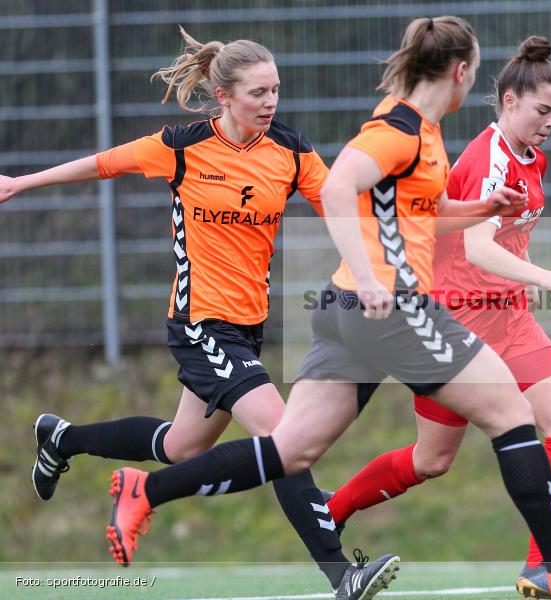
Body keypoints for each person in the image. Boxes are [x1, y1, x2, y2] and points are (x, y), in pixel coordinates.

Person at [102, 16, 551, 600]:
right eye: (475, 73)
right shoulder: (400, 129)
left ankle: (145, 492)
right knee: (511, 413)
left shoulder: (425, 133)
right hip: (386, 307)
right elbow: (339, 189)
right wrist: (368, 275)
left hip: (345, 310)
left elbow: (418, 216)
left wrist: (484, 208)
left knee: (291, 449)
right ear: (460, 72)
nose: (472, 84)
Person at [0, 27, 398, 600]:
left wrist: (402, 241)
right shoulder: (182, 146)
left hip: (247, 325)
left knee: (183, 446)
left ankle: (62, 439)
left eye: (276, 91)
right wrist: (22, 182)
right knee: (284, 435)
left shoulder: (289, 151)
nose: (270, 103)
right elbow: (103, 164)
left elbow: (342, 207)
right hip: (199, 322)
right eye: (258, 93)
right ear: (224, 98)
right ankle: (342, 574)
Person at [320, 35, 551, 599]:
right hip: (459, 322)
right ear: (509, 101)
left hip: (509, 319)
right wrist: (547, 278)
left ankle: (546, 568)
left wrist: (522, 280)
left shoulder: (532, 155)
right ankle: (328, 513)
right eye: (542, 110)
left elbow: (510, 234)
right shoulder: (489, 157)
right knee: (431, 460)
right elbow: (480, 248)